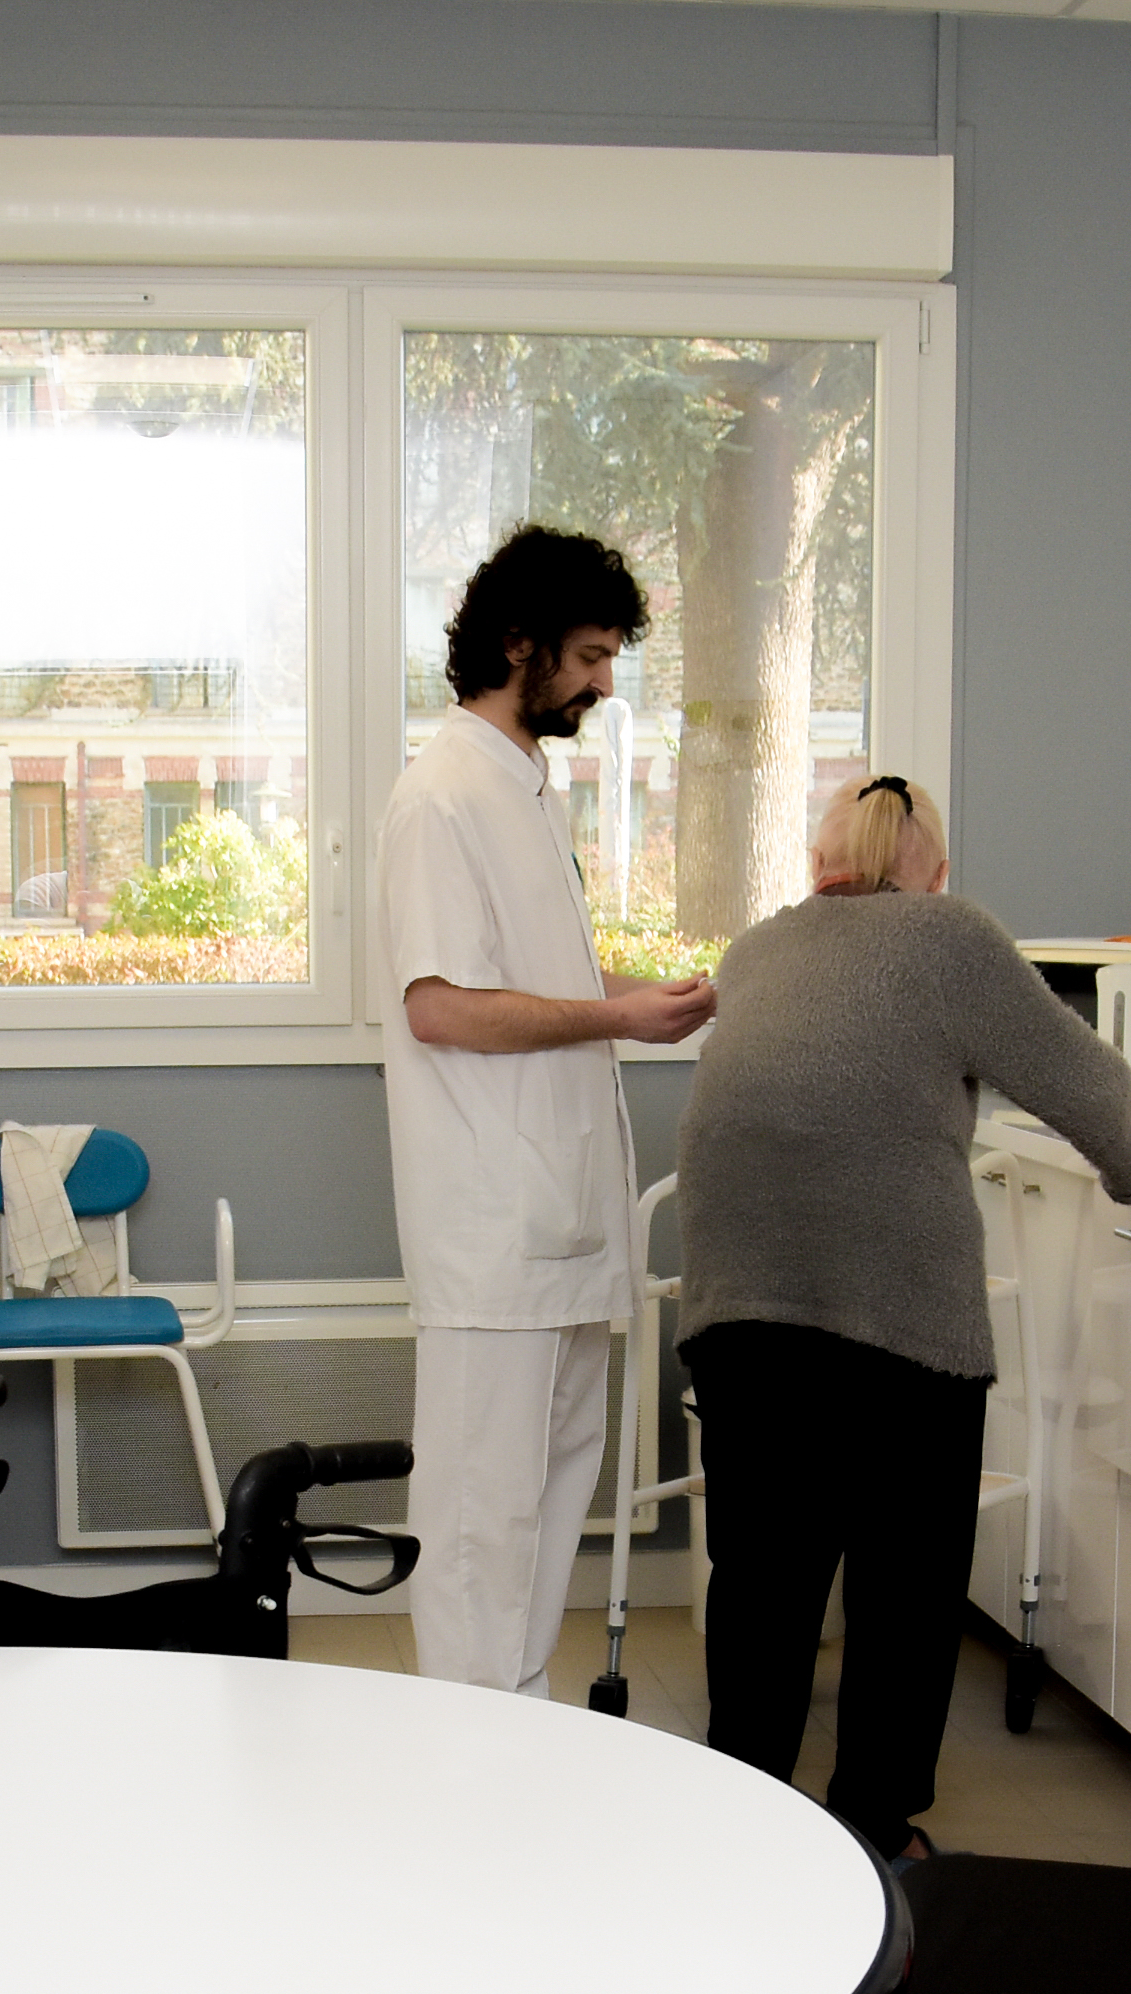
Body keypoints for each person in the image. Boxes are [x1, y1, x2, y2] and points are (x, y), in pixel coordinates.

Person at [674, 776, 1131, 1860]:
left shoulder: (756, 949)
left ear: (822, 865)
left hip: (734, 1305)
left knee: (763, 1572)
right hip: (896, 1312)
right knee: (903, 1579)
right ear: (930, 872)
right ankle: (872, 1830)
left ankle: (738, 1813)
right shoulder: (949, 936)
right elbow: (1079, 1080)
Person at [372, 524, 717, 1695]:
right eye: (586, 655)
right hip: (494, 1228)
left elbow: (537, 988)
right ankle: (467, 1765)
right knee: (480, 1522)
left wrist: (643, 997)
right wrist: (617, 1021)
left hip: (560, 1224)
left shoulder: (523, 790)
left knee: (548, 1500)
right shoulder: (441, 797)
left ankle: (514, 1736)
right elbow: (441, 1009)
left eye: (611, 655)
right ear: (515, 645)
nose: (603, 683)